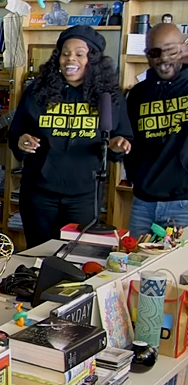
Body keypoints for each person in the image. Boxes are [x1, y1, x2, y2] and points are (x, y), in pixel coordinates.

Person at [8, 25, 133, 248]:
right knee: (39, 256)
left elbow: (121, 136)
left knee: (78, 259)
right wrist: (21, 141)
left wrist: (117, 145)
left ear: (92, 59)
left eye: (79, 54)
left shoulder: (109, 97)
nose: (69, 59)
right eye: (65, 54)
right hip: (39, 195)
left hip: (83, 197)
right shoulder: (37, 91)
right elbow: (16, 132)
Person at [124, 23, 188, 236]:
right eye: (155, 52)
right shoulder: (138, 94)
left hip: (183, 204)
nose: (163, 58)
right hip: (144, 202)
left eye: (171, 50)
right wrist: (137, 177)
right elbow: (131, 141)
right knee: (133, 265)